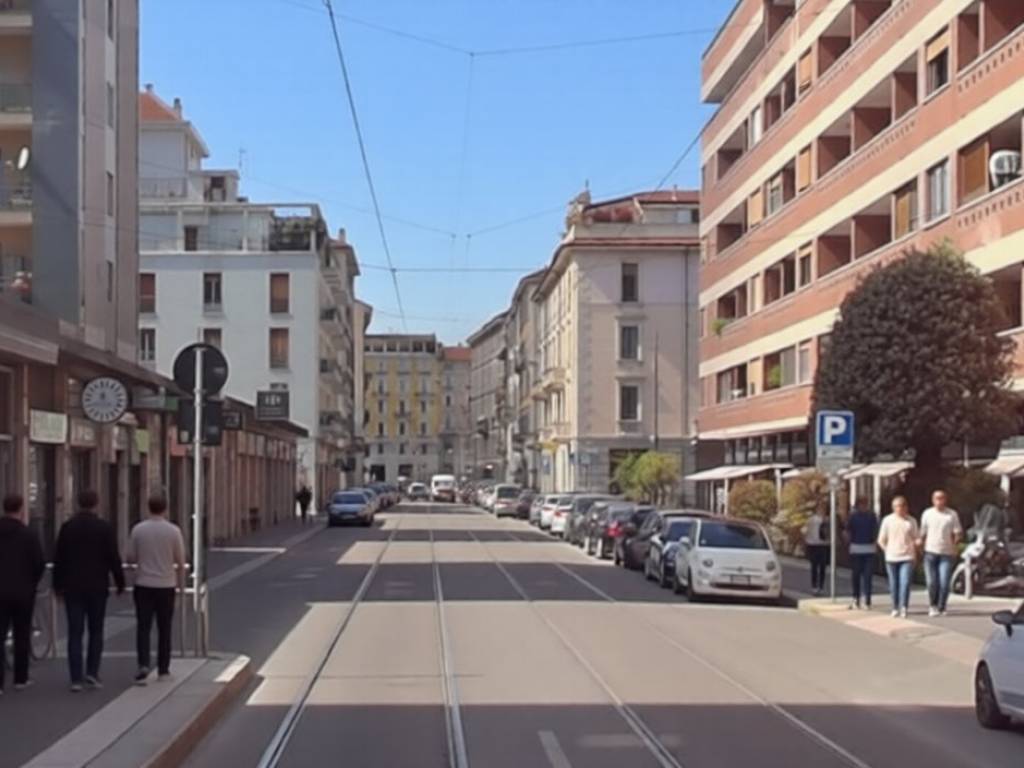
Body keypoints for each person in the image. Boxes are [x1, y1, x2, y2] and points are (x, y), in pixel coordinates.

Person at [53, 489, 126, 692]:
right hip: (97, 586)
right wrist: (120, 582)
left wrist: (57, 586)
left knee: (75, 632)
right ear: (96, 504)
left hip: (72, 586)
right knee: (96, 630)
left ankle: (75, 678)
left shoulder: (68, 527)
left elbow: (59, 558)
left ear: (78, 503)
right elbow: (113, 557)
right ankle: (92, 673)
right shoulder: (104, 528)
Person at [127, 493, 185, 685]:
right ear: (165, 509)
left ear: (148, 508)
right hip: (166, 585)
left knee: (143, 627)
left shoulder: (138, 529)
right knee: (164, 628)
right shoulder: (173, 531)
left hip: (143, 584)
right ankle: (163, 669)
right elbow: (180, 560)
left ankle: (143, 664)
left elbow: (130, 557)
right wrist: (181, 587)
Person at [0, 494, 45, 694]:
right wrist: (31, 582)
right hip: (23, 592)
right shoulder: (28, 534)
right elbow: (39, 563)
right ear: (21, 509)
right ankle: (21, 678)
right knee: (22, 634)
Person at [919, 489, 963, 617]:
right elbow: (923, 532)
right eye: (937, 499)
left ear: (945, 500)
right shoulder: (927, 514)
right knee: (931, 582)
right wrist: (919, 545)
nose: (939, 501)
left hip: (946, 553)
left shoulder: (951, 514)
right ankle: (933, 605)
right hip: (930, 551)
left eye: (942, 498)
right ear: (933, 500)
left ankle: (942, 606)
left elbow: (957, 532)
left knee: (944, 581)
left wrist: (955, 545)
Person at [877, 495, 919, 618]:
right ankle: (895, 607)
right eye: (896, 506)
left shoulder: (911, 521)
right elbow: (881, 540)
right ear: (893, 508)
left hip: (907, 557)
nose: (899, 509)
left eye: (901, 506)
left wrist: (917, 544)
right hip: (892, 557)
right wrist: (887, 550)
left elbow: (916, 537)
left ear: (906, 507)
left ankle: (904, 606)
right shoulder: (887, 520)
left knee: (905, 582)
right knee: (893, 583)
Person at [846, 496, 878, 610]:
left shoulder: (871, 516)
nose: (864, 506)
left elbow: (875, 530)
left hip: (867, 548)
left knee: (867, 576)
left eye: (865, 504)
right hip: (857, 548)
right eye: (862, 504)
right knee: (857, 575)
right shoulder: (854, 517)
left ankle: (866, 600)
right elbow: (848, 531)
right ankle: (857, 598)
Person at [803, 505, 830, 596]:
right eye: (820, 510)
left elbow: (805, 531)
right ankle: (816, 586)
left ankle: (819, 586)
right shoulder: (814, 520)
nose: (822, 511)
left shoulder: (826, 520)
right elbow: (806, 530)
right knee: (816, 566)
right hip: (816, 545)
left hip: (821, 545)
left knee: (820, 567)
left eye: (823, 510)